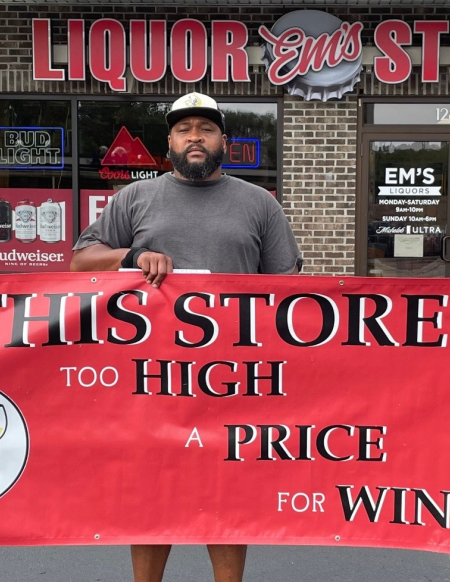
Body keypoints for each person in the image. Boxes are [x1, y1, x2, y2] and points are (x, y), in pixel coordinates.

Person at [70, 92, 301, 582]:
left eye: (206, 128)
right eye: (184, 129)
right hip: (152, 378)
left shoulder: (260, 204)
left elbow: (287, 291)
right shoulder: (135, 197)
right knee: (152, 495)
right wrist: (130, 257)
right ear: (168, 142)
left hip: (235, 377)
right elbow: (79, 262)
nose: (195, 136)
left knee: (228, 494)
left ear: (225, 141)